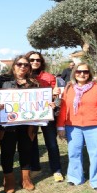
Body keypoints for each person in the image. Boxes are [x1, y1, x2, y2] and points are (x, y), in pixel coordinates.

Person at [57, 62, 97, 190]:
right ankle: (75, 177)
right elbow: (64, 108)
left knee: (96, 153)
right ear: (74, 73)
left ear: (89, 73)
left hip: (96, 125)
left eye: (85, 72)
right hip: (73, 126)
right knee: (74, 153)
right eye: (79, 71)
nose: (82, 74)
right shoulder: (69, 88)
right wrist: (60, 126)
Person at [0, 55, 39, 193]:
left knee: (26, 150)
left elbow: (38, 101)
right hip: (7, 124)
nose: (23, 67)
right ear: (14, 66)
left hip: (27, 124)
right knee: (7, 151)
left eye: (26, 65)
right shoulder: (1, 80)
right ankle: (9, 179)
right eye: (19, 64)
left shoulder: (34, 83)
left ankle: (26, 179)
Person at [26, 51, 63, 182]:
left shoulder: (49, 77)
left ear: (42, 62)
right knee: (31, 142)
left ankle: (56, 170)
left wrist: (55, 97)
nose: (35, 62)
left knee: (51, 143)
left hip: (47, 114)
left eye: (38, 60)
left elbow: (56, 97)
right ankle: (35, 167)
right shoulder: (23, 76)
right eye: (32, 60)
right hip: (29, 115)